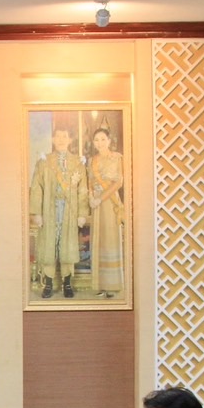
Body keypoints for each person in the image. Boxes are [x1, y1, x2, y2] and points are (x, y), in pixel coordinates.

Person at [28, 126, 89, 299]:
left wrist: (82, 213)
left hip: (70, 210)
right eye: (58, 136)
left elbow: (83, 190)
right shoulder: (44, 162)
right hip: (49, 208)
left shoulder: (78, 163)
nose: (61, 139)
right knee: (49, 244)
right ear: (53, 140)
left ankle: (67, 283)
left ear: (70, 140)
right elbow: (36, 188)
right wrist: (37, 213)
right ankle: (48, 283)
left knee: (68, 245)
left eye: (65, 136)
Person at [86, 125, 125, 298]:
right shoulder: (91, 160)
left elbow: (119, 182)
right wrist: (91, 198)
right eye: (96, 140)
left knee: (110, 239)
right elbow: (89, 181)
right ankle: (100, 284)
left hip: (110, 201)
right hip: (96, 204)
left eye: (103, 139)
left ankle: (113, 285)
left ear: (109, 141)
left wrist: (100, 198)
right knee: (99, 240)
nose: (100, 143)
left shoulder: (117, 158)